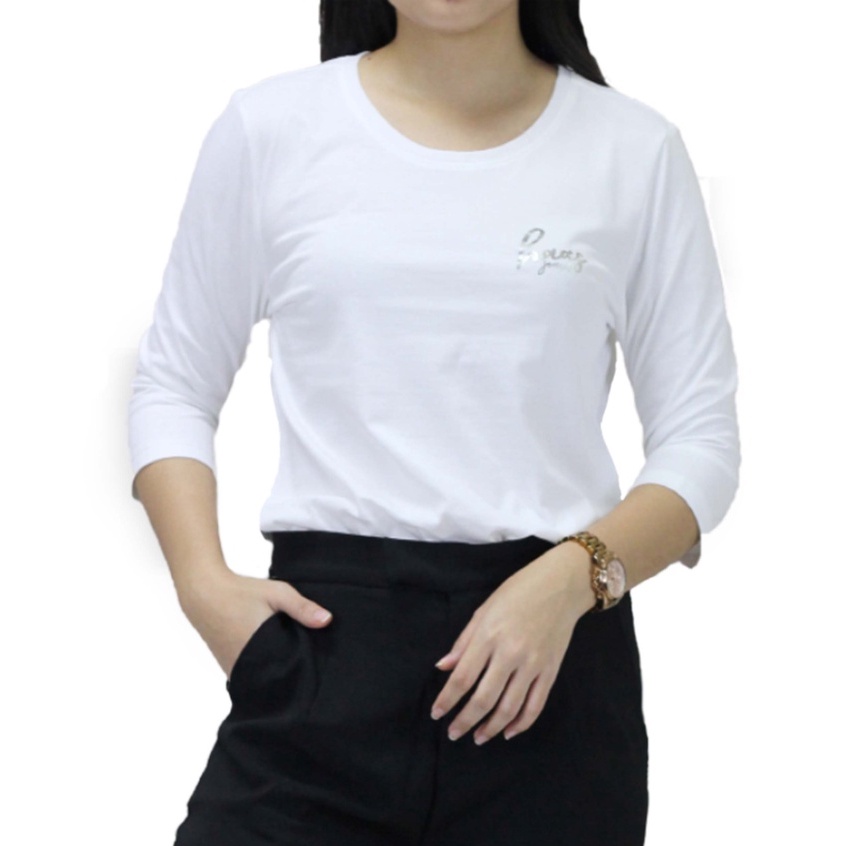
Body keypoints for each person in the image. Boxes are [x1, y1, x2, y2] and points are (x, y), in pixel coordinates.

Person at [127, 1, 741, 844]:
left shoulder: (632, 150)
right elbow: (173, 384)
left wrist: (571, 580)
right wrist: (204, 589)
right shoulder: (272, 129)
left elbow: (701, 443)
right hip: (323, 657)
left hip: (550, 673)